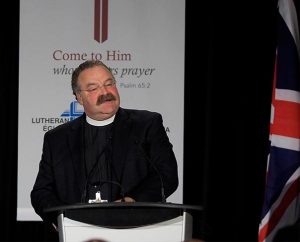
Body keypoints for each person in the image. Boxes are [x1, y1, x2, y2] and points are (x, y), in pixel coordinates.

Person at [31, 59, 179, 223]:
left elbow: (167, 175)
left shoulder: (146, 124)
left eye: (109, 84)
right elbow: (41, 192)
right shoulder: (57, 138)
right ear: (79, 98)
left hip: (137, 226)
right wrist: (63, 219)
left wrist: (132, 202)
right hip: (78, 231)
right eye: (94, 88)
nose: (105, 92)